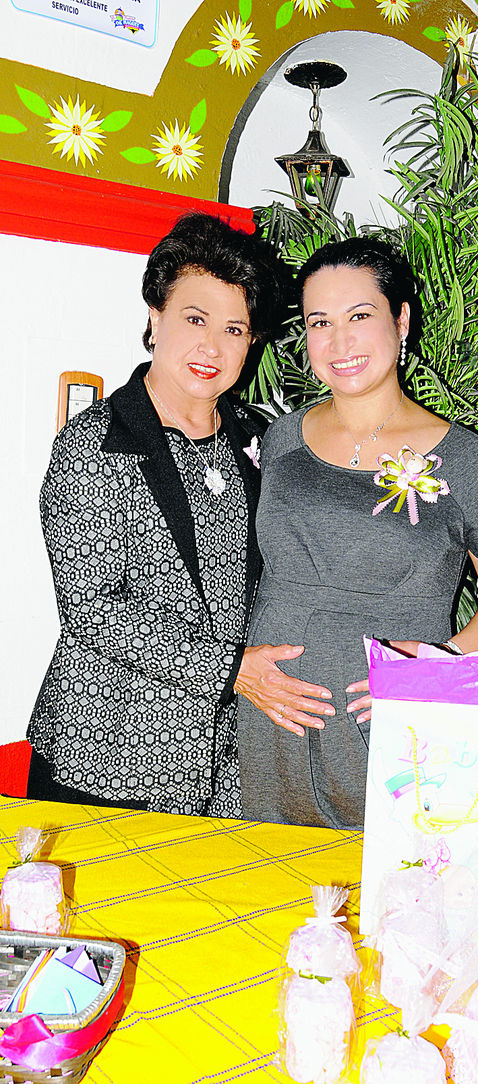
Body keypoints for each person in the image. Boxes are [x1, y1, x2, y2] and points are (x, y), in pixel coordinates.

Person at [27, 212, 333, 815]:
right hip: (109, 756)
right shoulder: (97, 443)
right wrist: (233, 668)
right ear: (155, 317)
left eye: (234, 329)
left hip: (227, 769)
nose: (212, 347)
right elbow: (95, 613)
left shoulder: (260, 440)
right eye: (195, 319)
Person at [236, 237, 478, 830]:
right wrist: (234, 664)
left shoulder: (463, 458)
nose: (339, 342)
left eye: (360, 316)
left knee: (398, 876)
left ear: (401, 320)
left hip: (398, 719)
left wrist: (437, 668)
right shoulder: (279, 440)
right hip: (269, 717)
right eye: (320, 322)